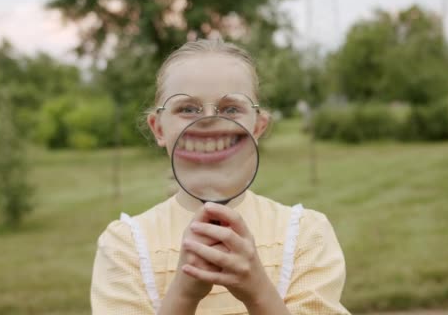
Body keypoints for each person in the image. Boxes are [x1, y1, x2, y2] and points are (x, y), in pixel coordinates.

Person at [91, 39, 350, 315]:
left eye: (230, 109)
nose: (209, 120)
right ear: (158, 128)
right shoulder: (124, 246)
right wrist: (184, 294)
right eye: (187, 109)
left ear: (258, 126)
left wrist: (258, 291)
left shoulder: (306, 235)